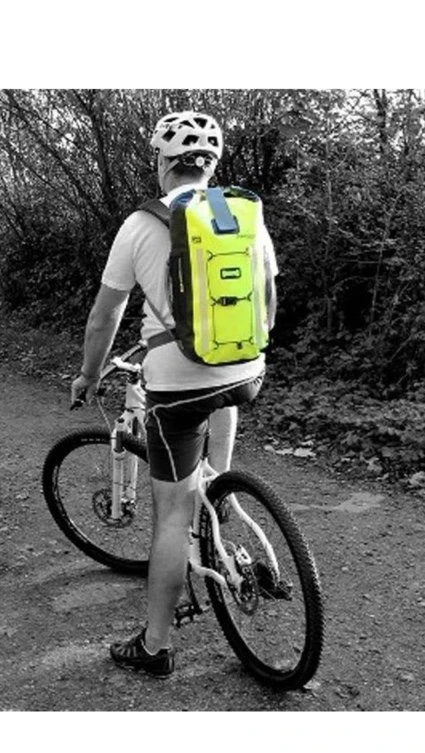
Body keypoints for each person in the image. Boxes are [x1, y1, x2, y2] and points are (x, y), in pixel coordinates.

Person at [70, 110, 278, 678]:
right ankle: (223, 485)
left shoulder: (141, 224)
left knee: (171, 516)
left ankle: (155, 645)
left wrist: (89, 374)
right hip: (248, 369)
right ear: (211, 165)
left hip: (178, 383)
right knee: (222, 395)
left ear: (162, 163)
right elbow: (267, 292)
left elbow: (105, 314)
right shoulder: (242, 214)